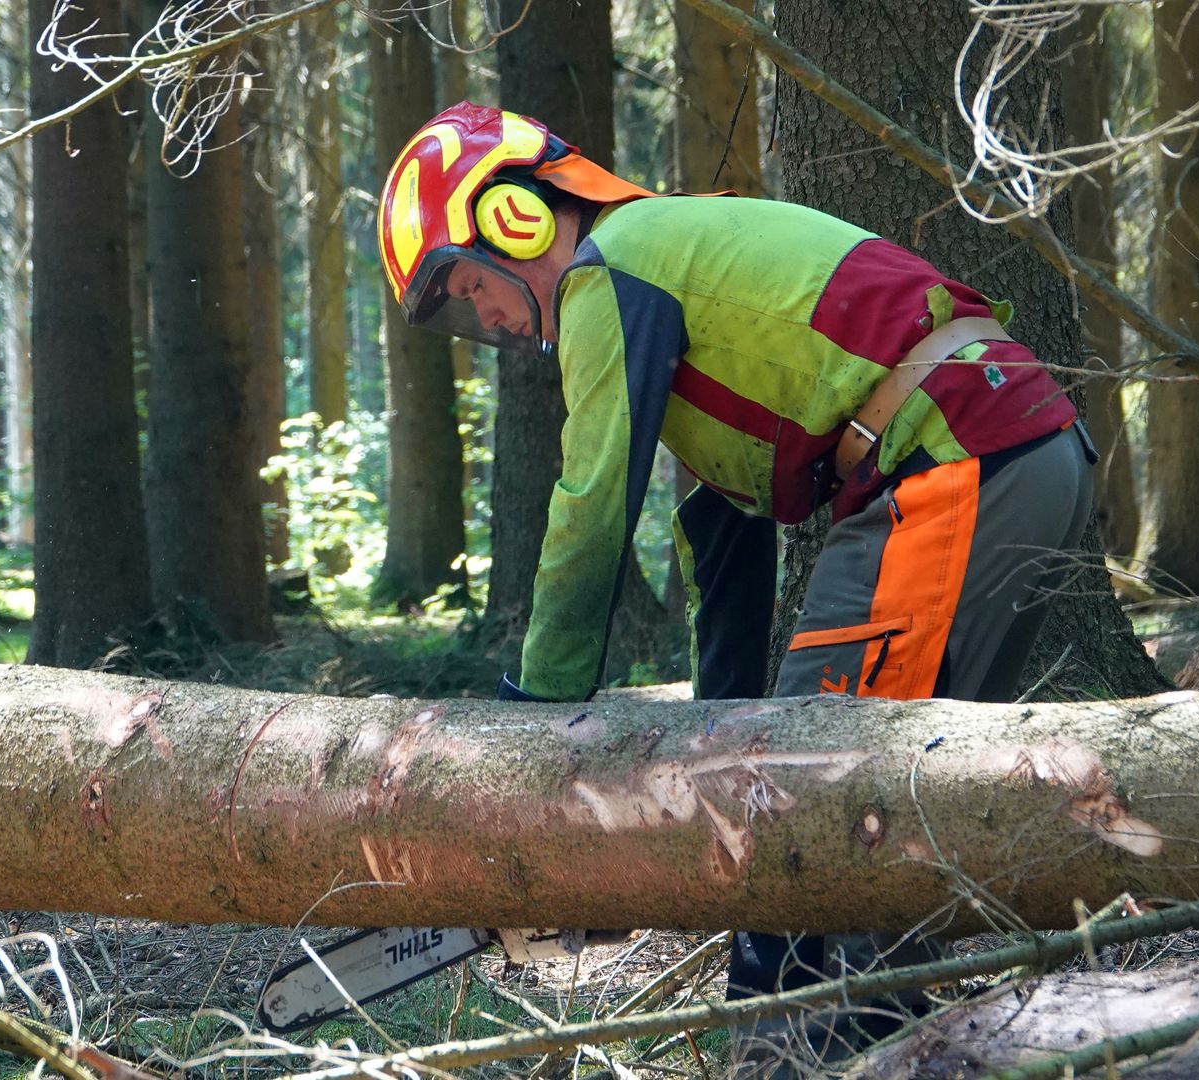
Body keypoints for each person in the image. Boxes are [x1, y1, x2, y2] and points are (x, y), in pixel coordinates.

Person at [378, 101, 1096, 1064]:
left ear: (516, 217)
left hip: (953, 460)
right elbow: (723, 536)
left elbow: (590, 504)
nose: (490, 315)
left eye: (472, 284)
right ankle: (886, 1047)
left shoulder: (613, 271)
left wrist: (536, 713)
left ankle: (785, 1057)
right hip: (1018, 450)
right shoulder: (672, 266)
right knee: (889, 813)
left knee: (811, 805)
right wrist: (721, 737)